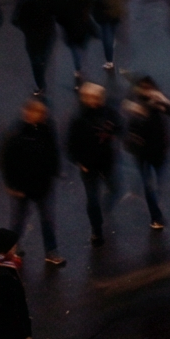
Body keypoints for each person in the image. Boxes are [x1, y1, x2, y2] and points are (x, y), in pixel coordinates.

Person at [0, 98, 67, 266]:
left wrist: (55, 170)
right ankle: (12, 249)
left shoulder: (47, 127)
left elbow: (53, 151)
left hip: (42, 184)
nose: (43, 115)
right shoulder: (16, 134)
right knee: (18, 221)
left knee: (47, 219)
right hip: (22, 187)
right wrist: (11, 186)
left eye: (44, 112)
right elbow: (6, 161)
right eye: (39, 112)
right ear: (28, 112)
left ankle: (51, 251)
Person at [67, 81, 121, 246]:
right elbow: (71, 144)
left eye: (97, 97)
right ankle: (96, 231)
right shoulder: (79, 119)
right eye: (91, 97)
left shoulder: (108, 112)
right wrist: (80, 162)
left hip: (106, 161)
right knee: (92, 199)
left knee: (114, 189)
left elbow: (120, 126)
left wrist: (114, 133)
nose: (95, 100)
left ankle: (105, 210)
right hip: (89, 166)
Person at [123, 76, 170, 231]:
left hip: (159, 151)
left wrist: (165, 103)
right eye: (144, 88)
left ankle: (151, 202)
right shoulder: (135, 106)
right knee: (149, 185)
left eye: (149, 88)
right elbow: (131, 129)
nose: (147, 91)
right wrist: (139, 113)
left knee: (158, 182)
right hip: (143, 153)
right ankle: (156, 217)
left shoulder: (158, 104)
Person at [13, 0, 64, 98]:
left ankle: (40, 85)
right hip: (49, 33)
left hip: (32, 35)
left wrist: (24, 28)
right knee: (44, 57)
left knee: (35, 60)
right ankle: (42, 68)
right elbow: (60, 13)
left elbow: (15, 19)